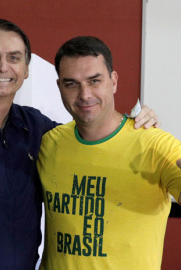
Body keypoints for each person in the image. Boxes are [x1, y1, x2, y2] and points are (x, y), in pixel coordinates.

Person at [0, 19, 158, 269]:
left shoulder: (37, 128)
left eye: (14, 58)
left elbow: (90, 140)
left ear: (26, 69)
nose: (3, 66)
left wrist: (132, 126)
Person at [37, 36, 181, 270]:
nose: (85, 94)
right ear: (59, 87)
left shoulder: (156, 144)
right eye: (71, 83)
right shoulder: (49, 143)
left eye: (94, 81)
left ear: (113, 81)